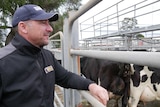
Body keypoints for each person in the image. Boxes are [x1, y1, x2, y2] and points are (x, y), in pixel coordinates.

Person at [0, 4, 109, 107]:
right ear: (23, 27)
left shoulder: (47, 56)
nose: (50, 29)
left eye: (48, 23)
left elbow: (66, 77)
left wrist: (91, 86)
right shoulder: (3, 62)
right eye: (43, 23)